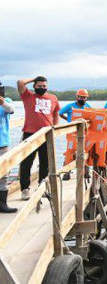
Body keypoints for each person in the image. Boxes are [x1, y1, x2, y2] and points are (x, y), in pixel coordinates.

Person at [17, 76, 60, 200]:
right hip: (30, 133)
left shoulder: (53, 98)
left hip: (46, 133)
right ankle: (25, 189)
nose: (42, 88)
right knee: (26, 162)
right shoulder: (28, 96)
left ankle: (43, 187)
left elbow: (56, 113)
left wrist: (55, 127)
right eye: (39, 86)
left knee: (45, 162)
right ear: (34, 86)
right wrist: (34, 78)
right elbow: (20, 82)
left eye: (44, 86)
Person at [0, 81, 17, 213]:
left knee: (4, 174)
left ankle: (2, 204)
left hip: (2, 143)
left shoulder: (6, 100)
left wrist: (2, 102)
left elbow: (11, 110)